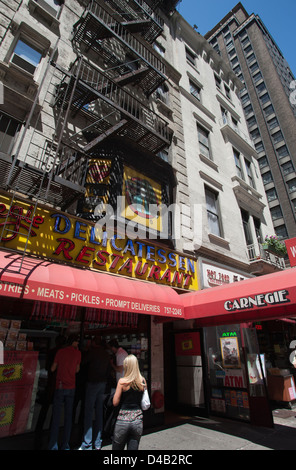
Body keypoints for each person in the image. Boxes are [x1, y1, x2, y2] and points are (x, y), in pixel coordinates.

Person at [48, 334, 81, 450]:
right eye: (77, 342)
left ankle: (53, 444)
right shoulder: (78, 353)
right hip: (71, 386)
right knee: (68, 417)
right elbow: (77, 370)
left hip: (60, 386)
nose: (78, 344)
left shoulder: (60, 352)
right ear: (73, 342)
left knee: (56, 417)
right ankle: (65, 444)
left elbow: (52, 368)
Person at [79, 336, 111, 450]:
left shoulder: (92, 352)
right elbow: (109, 370)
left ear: (93, 342)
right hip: (102, 384)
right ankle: (97, 442)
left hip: (92, 383)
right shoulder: (106, 354)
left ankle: (87, 443)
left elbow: (82, 362)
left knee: (88, 412)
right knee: (99, 412)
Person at [112, 354, 146, 450]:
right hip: (137, 420)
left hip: (123, 419)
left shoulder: (122, 382)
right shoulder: (142, 381)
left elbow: (115, 402)